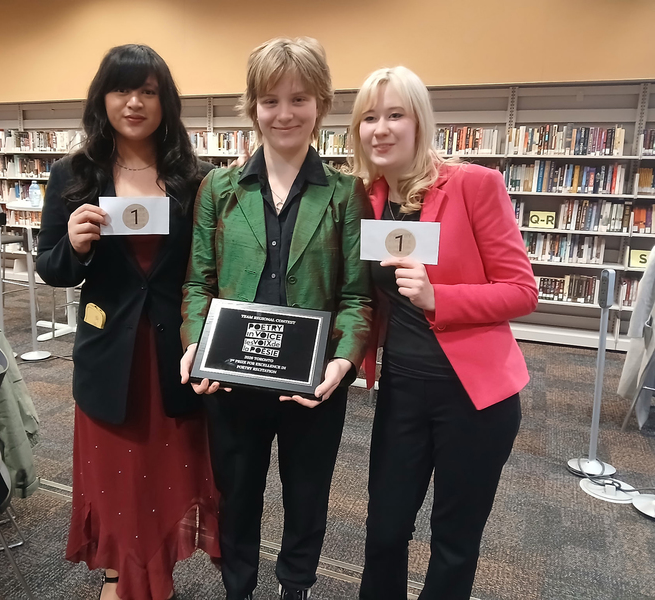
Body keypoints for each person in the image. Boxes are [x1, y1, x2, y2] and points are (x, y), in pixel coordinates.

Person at [179, 37, 372, 600]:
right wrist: (196, 344)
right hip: (232, 380)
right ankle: (237, 588)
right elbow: (198, 283)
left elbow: (358, 297)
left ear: (321, 105)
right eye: (270, 100)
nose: (284, 113)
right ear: (252, 107)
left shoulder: (344, 194)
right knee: (236, 496)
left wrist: (343, 361)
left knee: (307, 496)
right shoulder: (218, 188)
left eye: (298, 98)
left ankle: (297, 588)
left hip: (313, 384)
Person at [36, 44, 219, 600]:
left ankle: (150, 576)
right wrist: (74, 245)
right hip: (110, 357)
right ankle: (124, 578)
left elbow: (206, 272)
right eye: (122, 89)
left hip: (173, 355)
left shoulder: (194, 179)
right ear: (103, 98)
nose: (134, 102)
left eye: (148, 91)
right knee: (118, 481)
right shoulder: (73, 173)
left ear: (165, 102)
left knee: (167, 478)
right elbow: (51, 268)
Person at [351, 66, 538, 600]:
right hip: (402, 389)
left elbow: (522, 291)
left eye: (394, 115)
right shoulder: (367, 199)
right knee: (385, 530)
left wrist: (439, 298)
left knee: (454, 539)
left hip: (475, 398)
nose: (380, 129)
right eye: (369, 117)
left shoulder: (475, 185)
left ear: (419, 122)